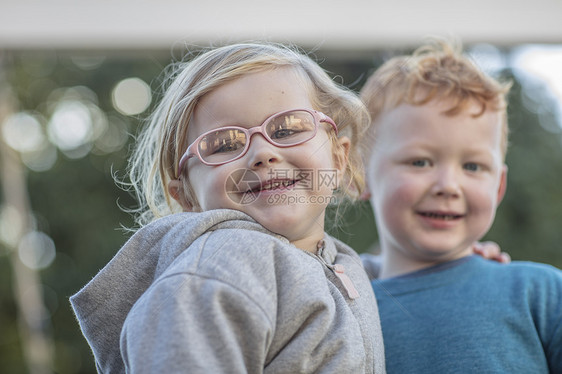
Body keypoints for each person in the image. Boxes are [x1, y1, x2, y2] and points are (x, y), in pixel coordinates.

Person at [70, 42, 386, 373]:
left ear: (338, 158)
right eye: (224, 144)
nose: (262, 153)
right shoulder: (216, 271)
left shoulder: (346, 265)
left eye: (287, 128)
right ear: (187, 197)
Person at [359, 40, 562, 372]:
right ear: (361, 176)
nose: (448, 186)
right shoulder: (339, 310)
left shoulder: (541, 296)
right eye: (420, 162)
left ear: (498, 186)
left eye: (472, 167)